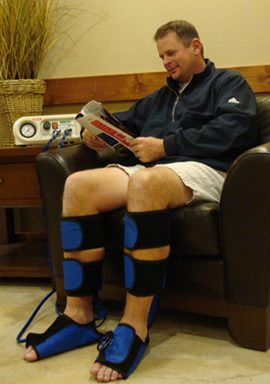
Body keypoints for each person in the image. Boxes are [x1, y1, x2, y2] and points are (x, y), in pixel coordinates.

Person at [23, 20, 257, 382]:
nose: (165, 61)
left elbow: (235, 130)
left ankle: (135, 325)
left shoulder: (228, 84)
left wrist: (167, 146)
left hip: (209, 171)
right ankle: (79, 314)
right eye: (161, 55)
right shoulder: (157, 99)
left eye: (171, 53)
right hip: (156, 173)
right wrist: (97, 136)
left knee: (145, 182)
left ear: (195, 46)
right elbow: (124, 126)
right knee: (78, 186)